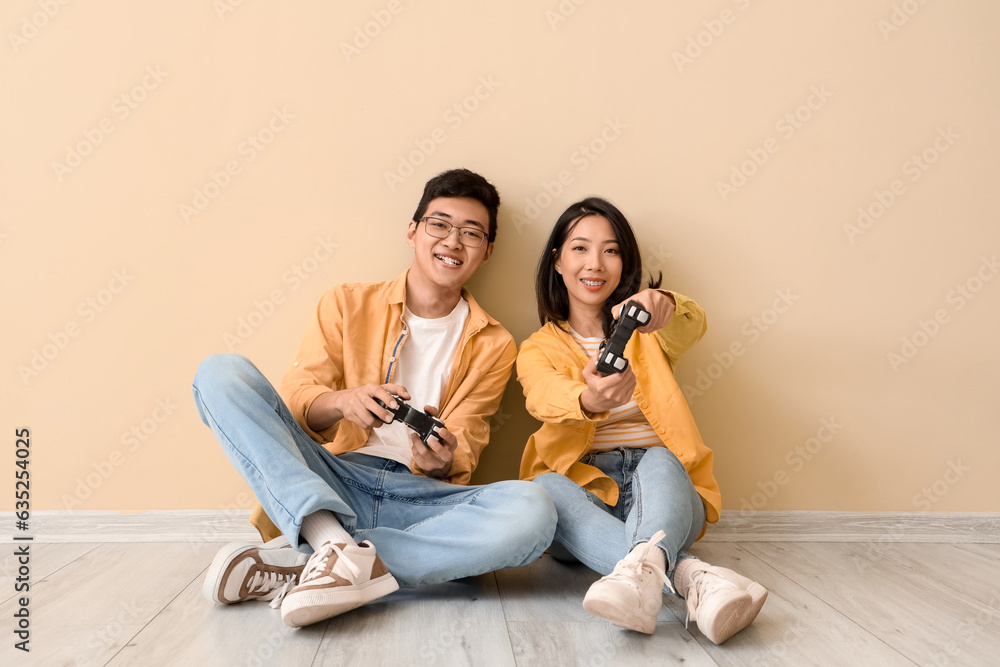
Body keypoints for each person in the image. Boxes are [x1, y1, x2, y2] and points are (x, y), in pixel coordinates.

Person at [192, 168, 556, 628]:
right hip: (333, 480)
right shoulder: (345, 302)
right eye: (439, 224)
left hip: (421, 500)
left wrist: (438, 458)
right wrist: (344, 402)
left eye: (471, 233)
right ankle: (333, 540)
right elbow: (297, 401)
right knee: (220, 373)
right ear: (413, 231)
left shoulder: (496, 343)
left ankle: (315, 560)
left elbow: (465, 448)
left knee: (535, 510)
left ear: (487, 252)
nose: (452, 241)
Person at [516, 196, 767, 644]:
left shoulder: (649, 332)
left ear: (624, 263)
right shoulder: (537, 347)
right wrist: (587, 398)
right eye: (580, 248)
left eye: (611, 250)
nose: (596, 263)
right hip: (587, 491)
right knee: (545, 489)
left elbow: (691, 323)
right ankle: (690, 577)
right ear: (556, 261)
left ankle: (644, 574)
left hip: (664, 487)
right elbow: (542, 396)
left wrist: (663, 302)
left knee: (658, 458)